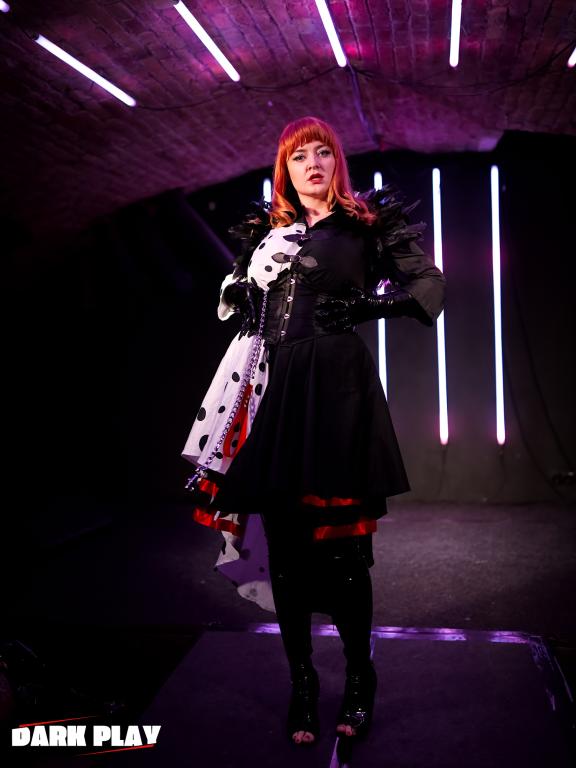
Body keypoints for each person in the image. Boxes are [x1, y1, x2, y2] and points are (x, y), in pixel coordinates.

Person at [182, 116, 445, 746]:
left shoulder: (365, 227)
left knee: (344, 549)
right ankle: (302, 683)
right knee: (288, 552)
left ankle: (359, 677)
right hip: (271, 392)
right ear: (286, 170)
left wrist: (372, 305)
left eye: (323, 152)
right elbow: (243, 311)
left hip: (335, 389)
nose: (313, 164)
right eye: (300, 156)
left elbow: (429, 284)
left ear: (337, 163)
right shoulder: (265, 237)